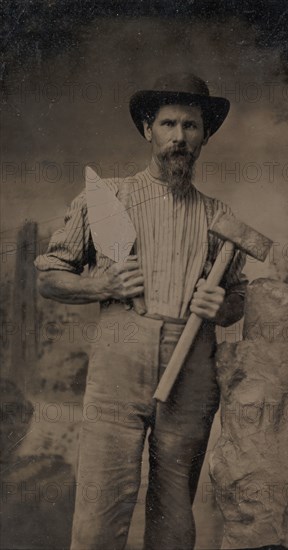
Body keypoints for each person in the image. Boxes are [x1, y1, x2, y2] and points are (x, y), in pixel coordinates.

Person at [35, 72, 248, 550]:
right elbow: (48, 274)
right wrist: (99, 283)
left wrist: (223, 305)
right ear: (148, 129)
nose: (179, 137)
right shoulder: (106, 198)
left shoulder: (220, 216)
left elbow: (238, 299)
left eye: (191, 126)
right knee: (99, 512)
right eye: (168, 124)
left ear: (205, 135)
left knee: (174, 514)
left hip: (191, 372)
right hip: (118, 365)